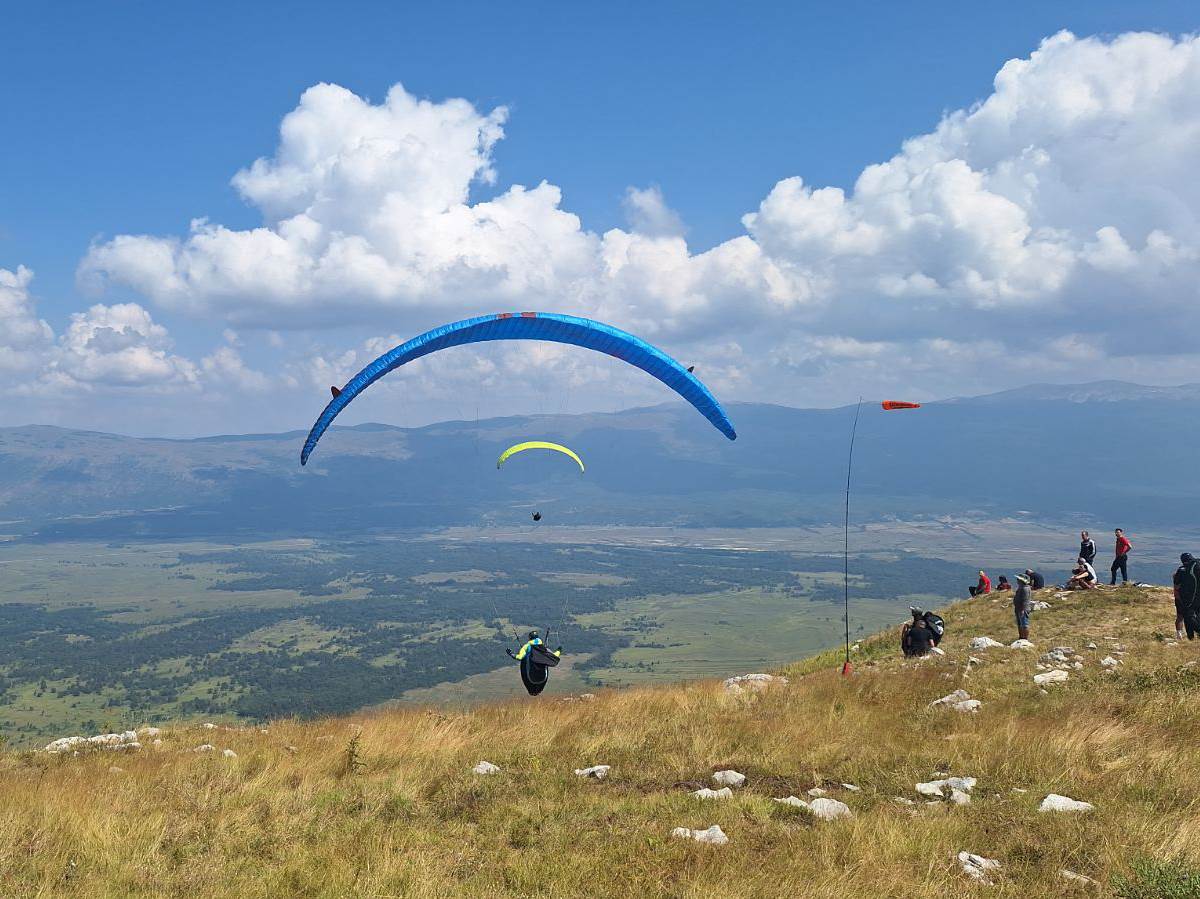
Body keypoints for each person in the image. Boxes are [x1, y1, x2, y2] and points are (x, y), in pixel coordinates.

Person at [1173, 553, 1200, 640]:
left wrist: (1177, 597)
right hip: (1196, 596)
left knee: (1181, 616)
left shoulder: (1181, 570)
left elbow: (1176, 585)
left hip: (1183, 597)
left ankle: (1183, 636)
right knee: (1195, 614)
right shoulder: (1196, 568)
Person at [1013, 574, 1033, 641]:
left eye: (1018, 579)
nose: (1017, 581)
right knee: (1020, 624)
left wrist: (1022, 610)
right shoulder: (1021, 587)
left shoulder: (1025, 589)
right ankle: (1021, 637)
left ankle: (1025, 638)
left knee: (1024, 624)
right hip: (1018, 608)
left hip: (1023, 609)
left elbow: (1025, 600)